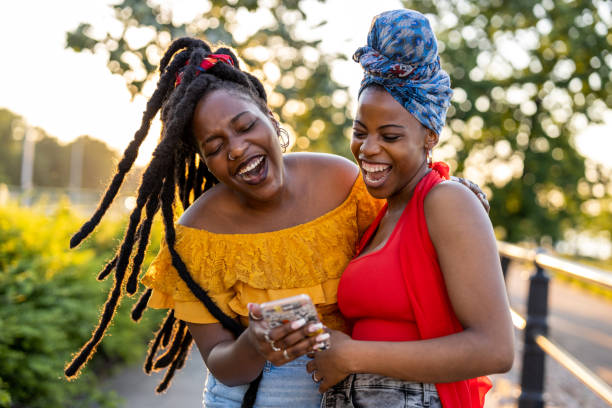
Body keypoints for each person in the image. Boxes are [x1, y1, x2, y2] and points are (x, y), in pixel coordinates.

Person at [63, 36, 489, 408]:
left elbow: (405, 227)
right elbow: (222, 365)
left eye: (245, 125)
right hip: (261, 391)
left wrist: (453, 193)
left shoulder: (343, 180)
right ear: (203, 159)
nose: (235, 148)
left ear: (269, 116)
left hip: (353, 385)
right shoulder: (196, 236)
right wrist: (255, 343)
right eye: (214, 146)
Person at [305, 9, 514, 408]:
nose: (367, 148)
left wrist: (353, 355)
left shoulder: (446, 201)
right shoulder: (378, 215)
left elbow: (496, 349)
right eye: (360, 132)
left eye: (390, 135)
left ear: (429, 137)